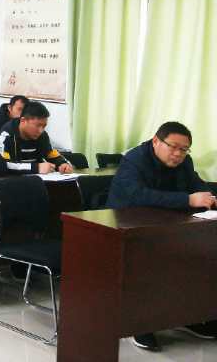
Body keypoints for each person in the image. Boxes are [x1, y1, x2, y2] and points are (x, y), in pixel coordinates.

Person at [106, 121, 217, 350]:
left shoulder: (185, 162)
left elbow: (196, 184)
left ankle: (191, 316)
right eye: (173, 147)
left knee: (200, 256)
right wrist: (187, 200)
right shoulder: (134, 160)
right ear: (156, 141)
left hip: (165, 223)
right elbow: (138, 195)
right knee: (152, 262)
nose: (178, 154)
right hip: (126, 226)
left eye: (184, 149)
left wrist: (210, 197)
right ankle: (139, 324)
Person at [0, 101, 73, 174]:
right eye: (38, 125)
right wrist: (36, 168)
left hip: (37, 180)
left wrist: (63, 164)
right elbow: (2, 164)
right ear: (23, 120)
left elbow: (51, 154)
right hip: (11, 181)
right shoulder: (5, 136)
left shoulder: (42, 136)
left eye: (44, 126)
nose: (41, 131)